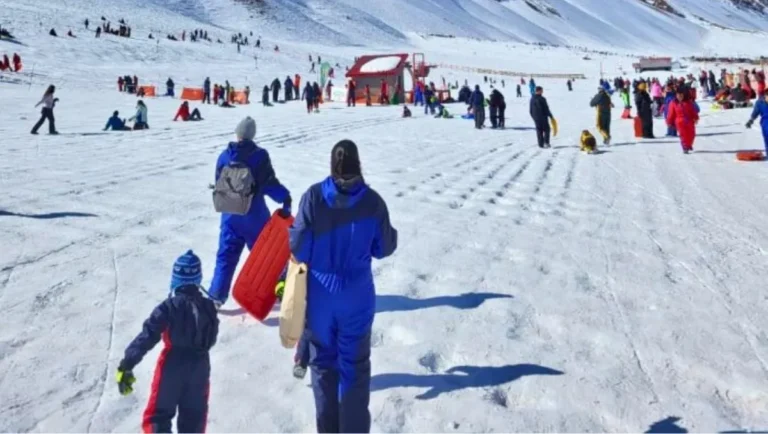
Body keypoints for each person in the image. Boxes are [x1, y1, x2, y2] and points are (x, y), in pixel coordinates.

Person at [289, 140, 397, 433]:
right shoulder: (373, 201)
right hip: (357, 296)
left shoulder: (313, 197)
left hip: (320, 297)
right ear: (358, 164)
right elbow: (384, 247)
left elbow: (299, 247)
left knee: (323, 367)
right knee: (355, 368)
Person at [115, 250, 218, 433]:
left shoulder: (169, 307)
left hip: (172, 365)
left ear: (176, 279)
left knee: (158, 416)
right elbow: (211, 338)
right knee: (194, 417)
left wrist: (127, 362)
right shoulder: (209, 306)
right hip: (200, 367)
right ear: (198, 278)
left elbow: (148, 334)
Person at [209, 117, 292, 305]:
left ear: (237, 133)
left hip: (230, 215)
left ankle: (216, 295)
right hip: (254, 216)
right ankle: (271, 290)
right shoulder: (259, 155)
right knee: (264, 258)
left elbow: (219, 183)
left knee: (226, 256)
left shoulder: (224, 156)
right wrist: (285, 197)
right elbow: (269, 183)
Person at [666, 88, 699, 154]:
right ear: (676, 95)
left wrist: (695, 118)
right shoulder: (673, 103)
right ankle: (685, 147)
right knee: (683, 135)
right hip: (679, 121)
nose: (679, 97)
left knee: (692, 134)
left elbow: (693, 111)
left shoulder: (688, 102)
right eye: (678, 95)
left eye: (681, 95)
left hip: (689, 121)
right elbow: (671, 113)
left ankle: (689, 145)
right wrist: (669, 122)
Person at [746, 89, 768, 155]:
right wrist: (751, 120)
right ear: (765, 95)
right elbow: (755, 112)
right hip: (765, 122)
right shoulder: (760, 102)